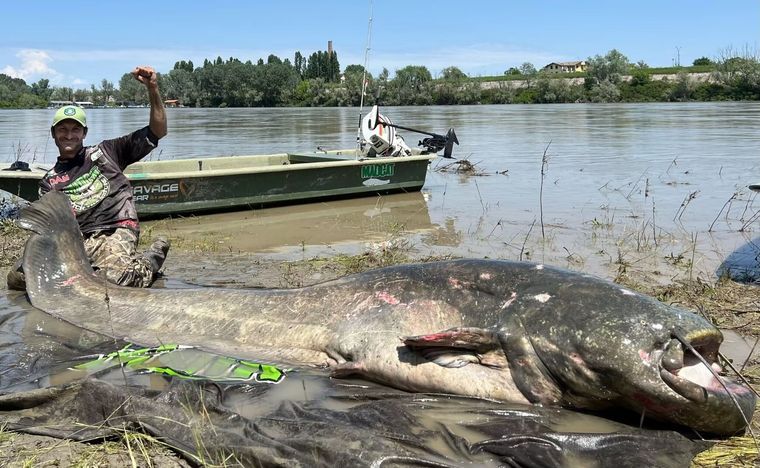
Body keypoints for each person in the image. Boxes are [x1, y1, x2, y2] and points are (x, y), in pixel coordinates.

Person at [7, 65, 169, 290]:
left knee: (115, 282)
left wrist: (153, 89)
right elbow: (52, 227)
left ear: (84, 133)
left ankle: (151, 259)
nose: (69, 135)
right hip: (78, 240)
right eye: (62, 129)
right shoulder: (48, 182)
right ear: (53, 133)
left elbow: (158, 131)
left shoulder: (107, 152)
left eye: (75, 129)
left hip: (116, 229)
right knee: (20, 279)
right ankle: (91, 270)